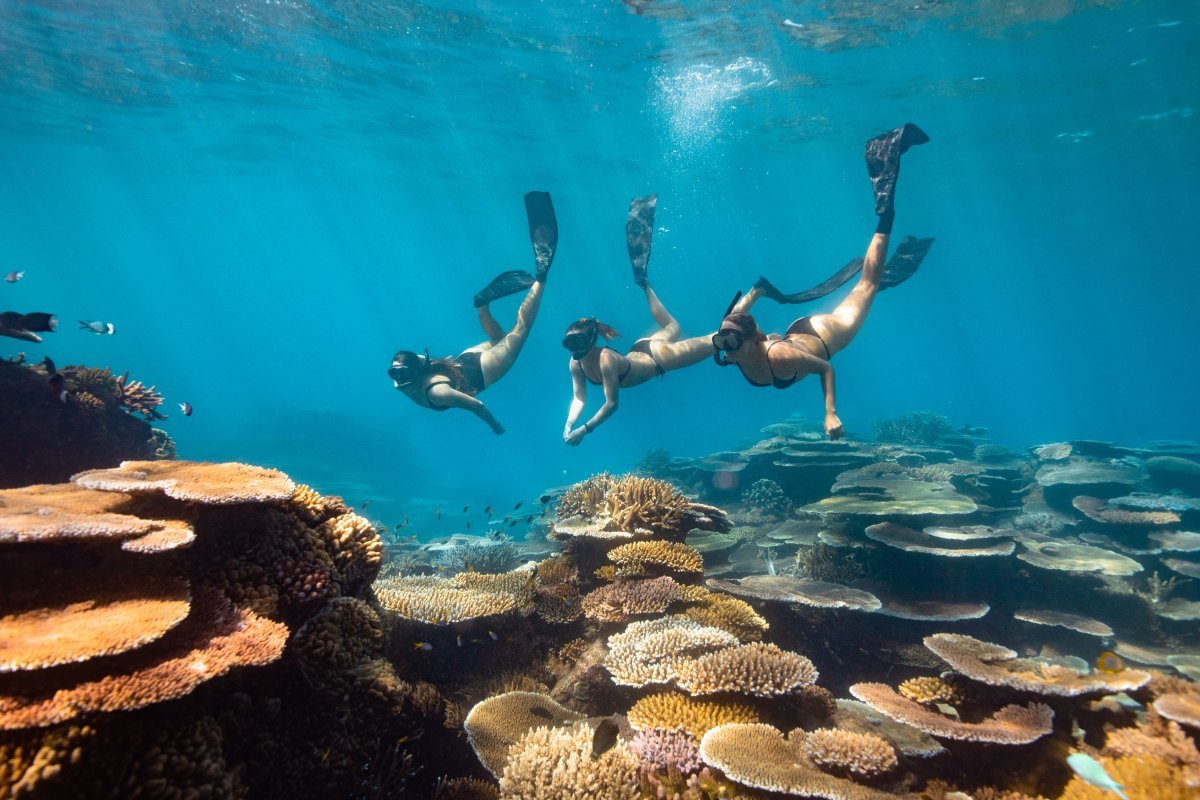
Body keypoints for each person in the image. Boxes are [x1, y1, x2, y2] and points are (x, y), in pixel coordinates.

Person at [711, 123, 930, 441]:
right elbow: (732, 323)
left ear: (752, 340)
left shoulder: (778, 358)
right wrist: (753, 298)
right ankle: (761, 287)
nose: (724, 349)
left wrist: (830, 413)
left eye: (729, 342)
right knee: (863, 290)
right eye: (722, 343)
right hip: (794, 332)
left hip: (827, 336)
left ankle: (885, 206)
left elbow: (826, 369)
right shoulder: (734, 350)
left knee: (867, 286)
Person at [389, 191, 557, 434]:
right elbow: (418, 359)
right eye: (394, 372)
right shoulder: (404, 379)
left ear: (414, 371)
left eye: (401, 372)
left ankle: (541, 277)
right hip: (465, 359)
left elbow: (476, 405)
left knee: (521, 329)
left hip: (481, 371)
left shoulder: (437, 392)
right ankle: (482, 305)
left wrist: (495, 426)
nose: (398, 377)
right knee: (500, 340)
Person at [561, 195, 716, 446]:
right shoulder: (575, 364)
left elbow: (612, 404)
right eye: (569, 344)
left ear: (591, 340)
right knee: (673, 327)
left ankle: (752, 304)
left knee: (717, 341)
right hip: (642, 348)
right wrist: (569, 424)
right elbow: (579, 398)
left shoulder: (606, 360)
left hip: (660, 357)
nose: (574, 349)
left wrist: (584, 430)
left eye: (577, 342)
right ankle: (644, 284)